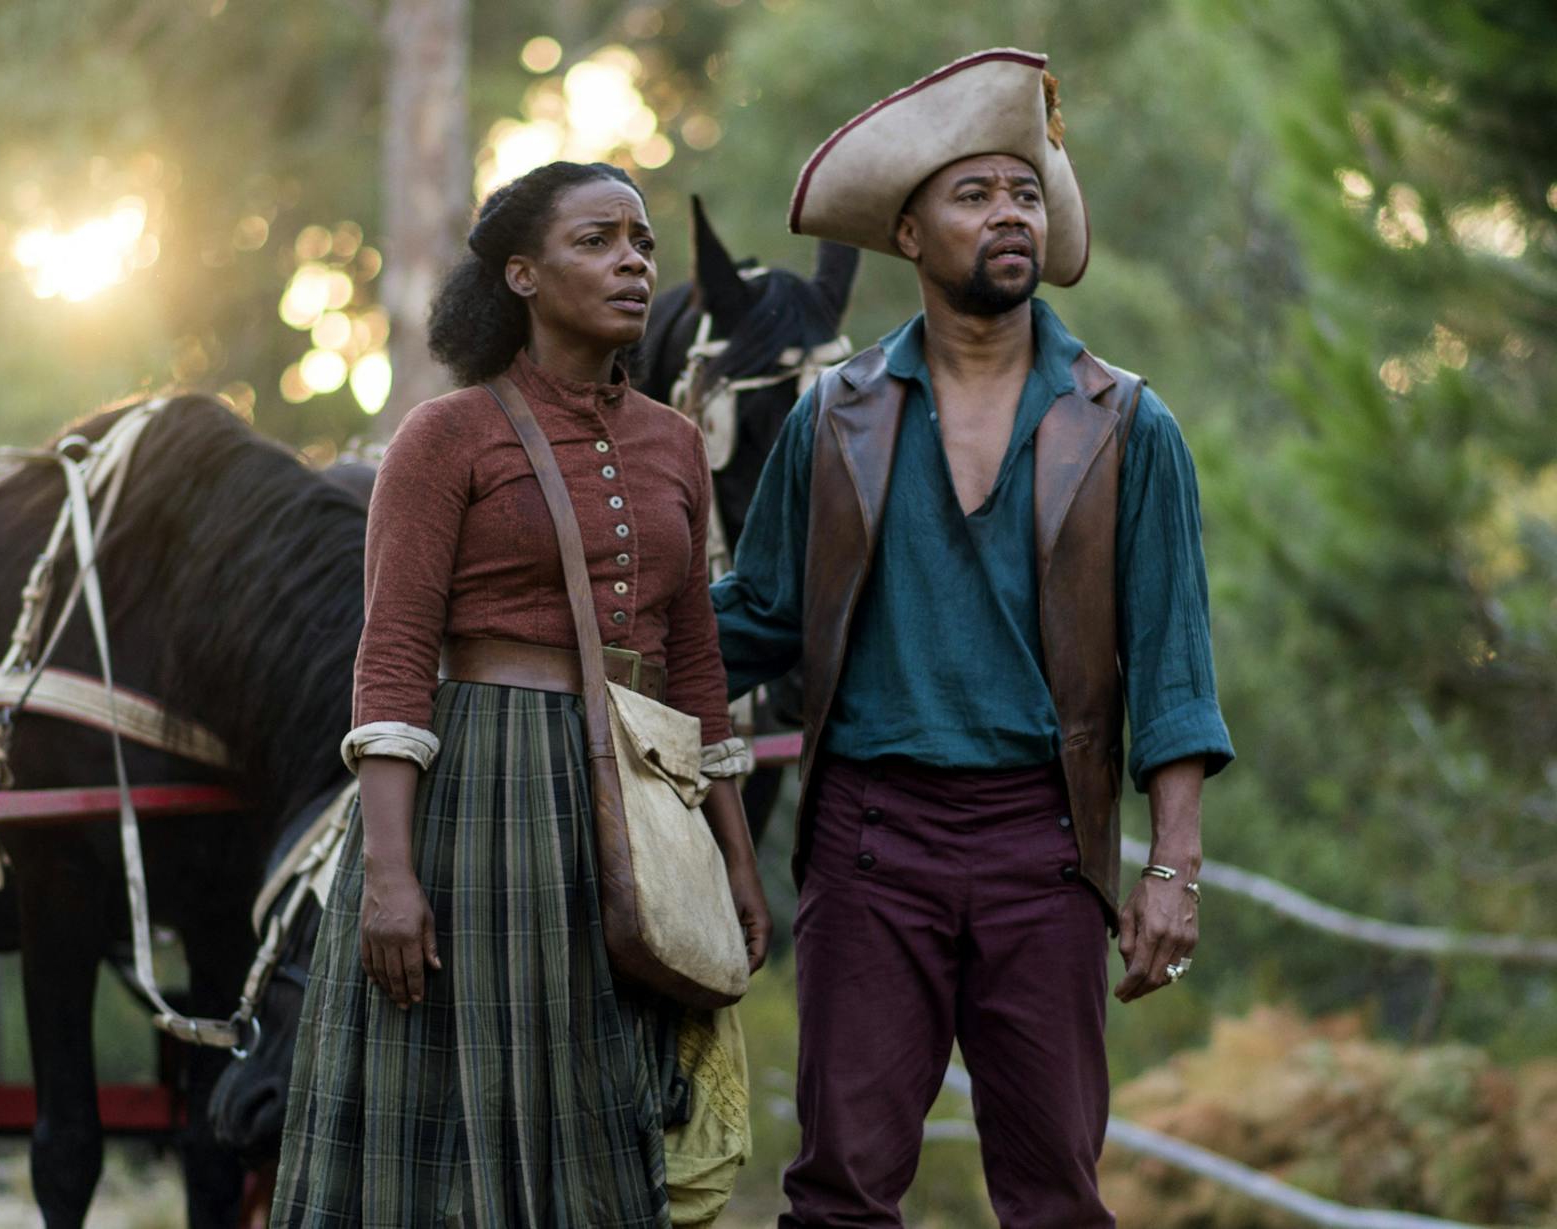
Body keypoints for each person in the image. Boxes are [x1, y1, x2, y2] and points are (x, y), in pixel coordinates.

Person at [712, 49, 1235, 1227]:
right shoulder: (833, 416)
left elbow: (1173, 666)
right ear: (909, 232)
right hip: (868, 840)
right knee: (840, 1192)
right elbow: (756, 617)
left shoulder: (1126, 422)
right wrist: (581, 634)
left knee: (1055, 1195)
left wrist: (1172, 869)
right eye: (976, 193)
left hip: (1044, 846)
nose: (1011, 213)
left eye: (1026, 193)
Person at [272, 160, 774, 1229]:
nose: (633, 262)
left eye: (641, 243)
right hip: (480, 805)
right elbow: (394, 656)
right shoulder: (445, 435)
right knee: (459, 1120)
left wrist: (734, 856)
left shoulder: (677, 444)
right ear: (522, 275)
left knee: (609, 1109)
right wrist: (391, 875)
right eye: (597, 241)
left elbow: (696, 671)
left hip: (637, 811)